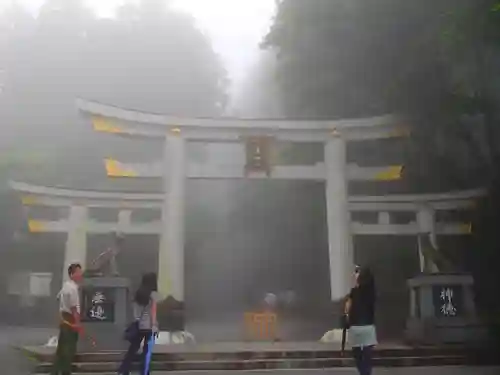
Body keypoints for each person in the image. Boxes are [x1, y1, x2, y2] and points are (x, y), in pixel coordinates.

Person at [118, 273, 159, 375]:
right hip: (149, 326)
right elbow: (153, 311)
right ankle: (144, 372)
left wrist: (137, 319)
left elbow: (135, 310)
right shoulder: (153, 294)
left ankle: (123, 370)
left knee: (132, 350)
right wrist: (154, 325)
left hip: (139, 325)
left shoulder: (139, 293)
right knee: (147, 351)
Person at [344, 266, 377, 375]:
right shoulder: (372, 292)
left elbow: (347, 309)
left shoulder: (354, 292)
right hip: (368, 327)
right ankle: (366, 373)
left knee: (358, 356)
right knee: (367, 357)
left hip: (356, 327)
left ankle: (363, 372)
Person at [51, 263, 83, 375]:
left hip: (64, 318)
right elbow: (74, 308)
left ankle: (55, 371)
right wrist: (77, 324)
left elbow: (57, 298)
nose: (80, 274)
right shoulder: (73, 288)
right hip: (70, 319)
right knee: (69, 348)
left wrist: (61, 312)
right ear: (72, 274)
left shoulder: (66, 285)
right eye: (78, 272)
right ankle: (65, 371)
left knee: (61, 347)